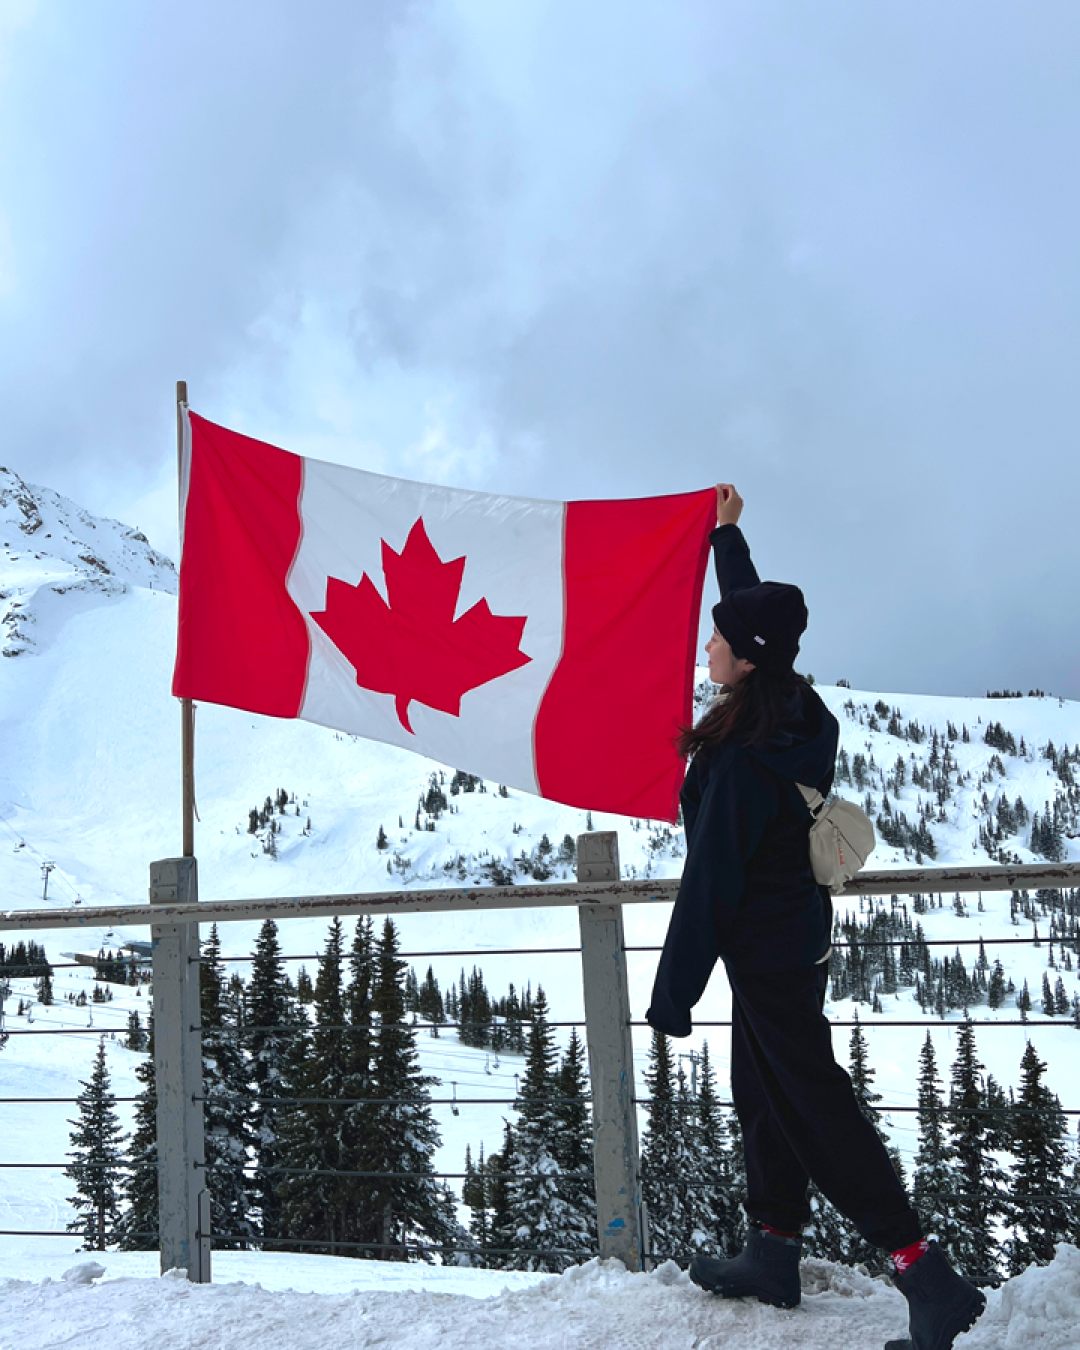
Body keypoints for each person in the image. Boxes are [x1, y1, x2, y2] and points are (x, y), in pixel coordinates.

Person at [645, 485, 985, 1350]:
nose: (707, 645)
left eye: (717, 640)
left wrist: (673, 994)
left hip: (765, 947)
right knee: (764, 1093)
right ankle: (774, 1250)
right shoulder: (794, 709)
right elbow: (761, 618)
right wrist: (728, 539)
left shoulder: (741, 761)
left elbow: (710, 884)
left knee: (811, 1104)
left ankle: (926, 1274)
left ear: (745, 661)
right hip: (792, 936)